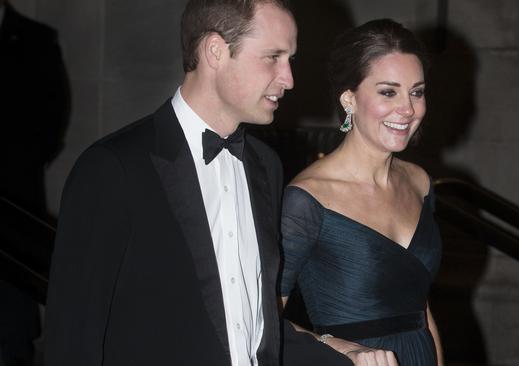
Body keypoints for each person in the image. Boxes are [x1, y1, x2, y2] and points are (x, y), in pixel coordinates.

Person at [44, 1, 351, 365]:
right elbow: (73, 341)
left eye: (290, 60)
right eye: (273, 57)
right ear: (215, 51)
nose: (288, 79)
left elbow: (250, 328)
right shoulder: (112, 169)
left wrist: (345, 352)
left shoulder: (266, 167)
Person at [280, 19, 444, 366]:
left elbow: (422, 307)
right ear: (349, 99)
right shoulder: (307, 199)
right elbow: (262, 320)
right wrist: (339, 347)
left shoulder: (419, 182)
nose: (408, 108)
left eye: (417, 91)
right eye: (388, 91)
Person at [0, 1, 69, 365]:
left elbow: (53, 117)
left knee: (12, 315)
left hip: (14, 198)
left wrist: (18, 166)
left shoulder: (36, 40)